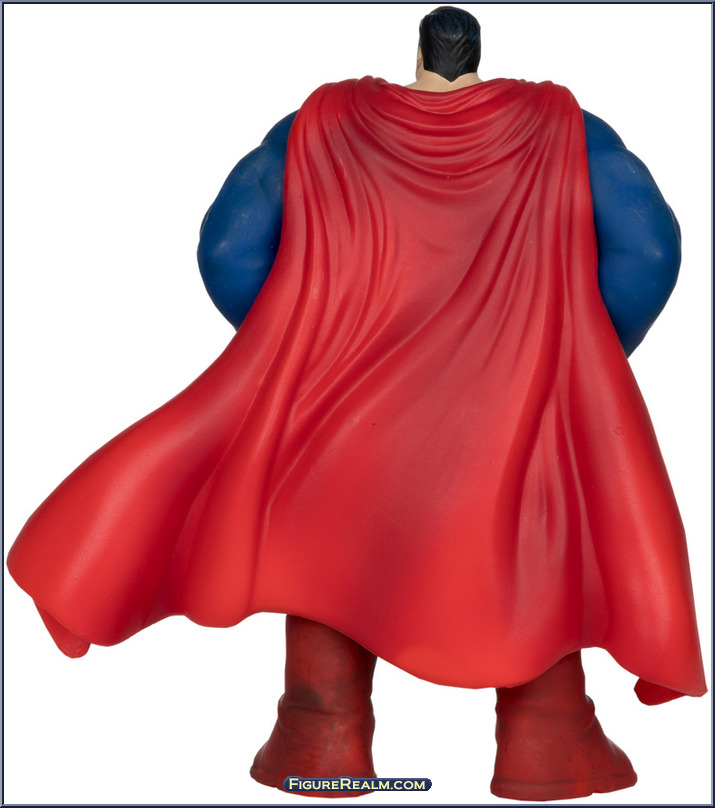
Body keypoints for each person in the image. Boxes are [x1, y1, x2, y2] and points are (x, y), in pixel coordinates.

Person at [7, 6, 705, 802]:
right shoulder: (565, 128)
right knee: (534, 544)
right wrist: (571, 347)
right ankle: (547, 739)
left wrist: (300, 341)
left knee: (323, 544)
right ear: (477, 55)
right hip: (517, 397)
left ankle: (320, 731)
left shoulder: (323, 122)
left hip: (342, 396)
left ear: (417, 54)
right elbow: (648, 247)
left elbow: (228, 247)